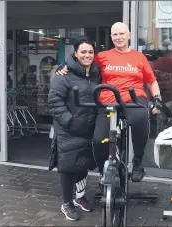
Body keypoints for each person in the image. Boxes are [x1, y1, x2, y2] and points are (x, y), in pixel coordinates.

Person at [56, 22, 162, 184]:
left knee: (140, 120)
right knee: (99, 140)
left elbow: (151, 81)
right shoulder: (103, 56)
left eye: (121, 34)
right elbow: (84, 61)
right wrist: (65, 65)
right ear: (111, 37)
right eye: (115, 35)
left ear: (128, 35)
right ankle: (103, 172)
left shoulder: (139, 57)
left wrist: (157, 99)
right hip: (108, 100)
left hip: (133, 99)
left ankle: (137, 164)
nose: (118, 37)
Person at [48, 36, 100, 221]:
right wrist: (70, 121)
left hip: (88, 127)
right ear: (76, 54)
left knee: (83, 163)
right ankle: (66, 202)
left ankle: (80, 197)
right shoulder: (64, 75)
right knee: (68, 166)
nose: (87, 55)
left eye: (90, 52)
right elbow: (55, 103)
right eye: (83, 52)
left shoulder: (96, 74)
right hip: (68, 128)